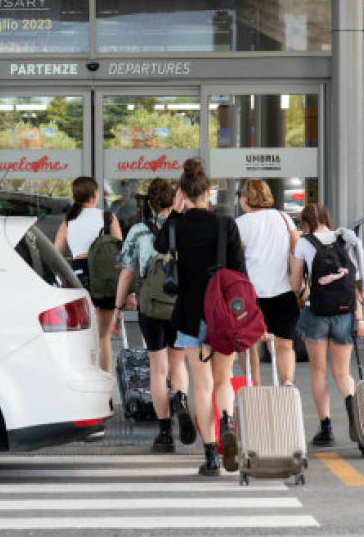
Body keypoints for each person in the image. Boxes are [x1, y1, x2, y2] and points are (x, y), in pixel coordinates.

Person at [154, 158, 248, 476]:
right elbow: (241, 276)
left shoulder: (177, 226)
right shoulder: (226, 225)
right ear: (209, 191)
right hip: (222, 315)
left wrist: (176, 211)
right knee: (224, 380)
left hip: (190, 314)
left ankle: (210, 456)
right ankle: (228, 422)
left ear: (182, 192)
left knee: (202, 384)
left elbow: (158, 244)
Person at [113, 178, 196, 453]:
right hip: (180, 305)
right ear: (172, 200)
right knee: (178, 363)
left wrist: (117, 308)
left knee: (158, 369)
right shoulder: (184, 226)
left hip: (151, 307)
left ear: (148, 204)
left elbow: (126, 272)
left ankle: (164, 434)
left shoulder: (138, 230)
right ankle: (181, 400)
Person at [290, 203, 364, 447]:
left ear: (305, 221)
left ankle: (326, 428)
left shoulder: (304, 243)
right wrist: (360, 319)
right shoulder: (345, 239)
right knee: (342, 373)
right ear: (327, 217)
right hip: (344, 314)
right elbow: (354, 284)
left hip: (317, 312)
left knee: (318, 371)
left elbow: (294, 285)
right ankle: (352, 409)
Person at [235, 179, 300, 386]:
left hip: (251, 295)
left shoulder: (241, 224)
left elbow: (235, 258)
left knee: (247, 345)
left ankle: (255, 388)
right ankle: (287, 383)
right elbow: (296, 251)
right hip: (283, 291)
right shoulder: (284, 218)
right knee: (284, 344)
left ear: (246, 198)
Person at [54, 176, 123, 374]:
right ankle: (105, 387)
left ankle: (86, 378)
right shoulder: (108, 218)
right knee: (103, 337)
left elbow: (56, 254)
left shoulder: (67, 222)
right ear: (95, 195)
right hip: (104, 275)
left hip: (78, 275)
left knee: (83, 335)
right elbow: (121, 253)